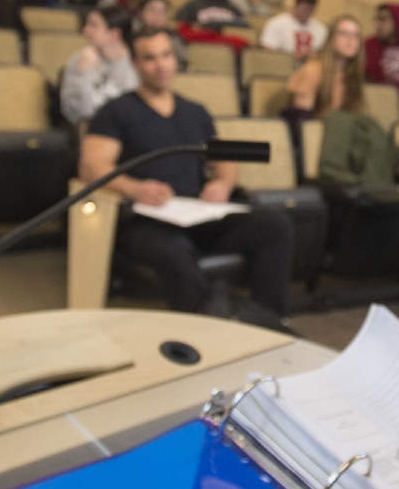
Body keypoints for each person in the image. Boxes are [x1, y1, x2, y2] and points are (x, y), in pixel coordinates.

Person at [82, 24, 294, 323]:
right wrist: (135, 188)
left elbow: (226, 162)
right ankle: (207, 325)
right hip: (145, 221)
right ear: (135, 64)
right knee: (175, 251)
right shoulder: (116, 111)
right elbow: (92, 166)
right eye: (150, 58)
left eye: (166, 55)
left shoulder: (196, 112)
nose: (161, 65)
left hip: (196, 214)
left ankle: (269, 320)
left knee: (274, 225)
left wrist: (222, 183)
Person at [60, 6, 137, 125]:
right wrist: (83, 73)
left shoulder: (138, 62)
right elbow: (76, 114)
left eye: (93, 25)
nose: (85, 30)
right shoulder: (80, 59)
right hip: (94, 132)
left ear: (114, 34)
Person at [285, 13, 363, 116]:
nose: (351, 40)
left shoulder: (353, 74)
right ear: (331, 39)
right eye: (344, 34)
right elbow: (301, 120)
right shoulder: (312, 70)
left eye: (355, 35)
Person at [259, 0, 323, 60]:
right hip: (282, 65)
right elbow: (267, 51)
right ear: (295, 5)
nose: (307, 13)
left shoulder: (321, 29)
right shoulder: (276, 24)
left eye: (311, 10)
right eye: (304, 9)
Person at [130, 0, 189, 69]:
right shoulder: (131, 37)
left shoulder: (174, 38)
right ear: (140, 12)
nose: (157, 15)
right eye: (152, 10)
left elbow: (181, 64)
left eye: (162, 11)